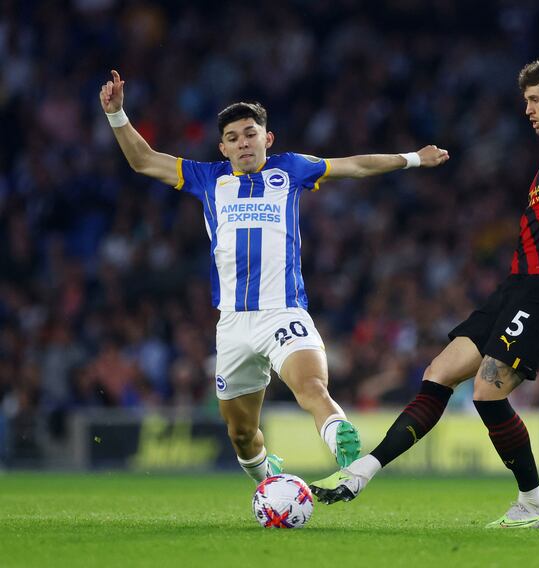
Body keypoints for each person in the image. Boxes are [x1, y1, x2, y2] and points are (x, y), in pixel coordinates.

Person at [311, 53, 539, 528]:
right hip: (517, 287)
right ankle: (362, 472)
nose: (527, 109)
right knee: (439, 371)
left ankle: (532, 505)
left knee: (486, 391)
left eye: (535, 99)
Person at [98, 70, 449, 484]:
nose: (243, 142)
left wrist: (413, 158)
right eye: (233, 137)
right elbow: (143, 160)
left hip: (282, 312)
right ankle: (267, 476)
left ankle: (341, 443)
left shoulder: (291, 170)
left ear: (268, 138)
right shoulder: (207, 178)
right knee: (242, 434)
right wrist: (118, 114)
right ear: (222, 147)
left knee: (313, 387)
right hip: (232, 323)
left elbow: (353, 165)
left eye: (250, 133)